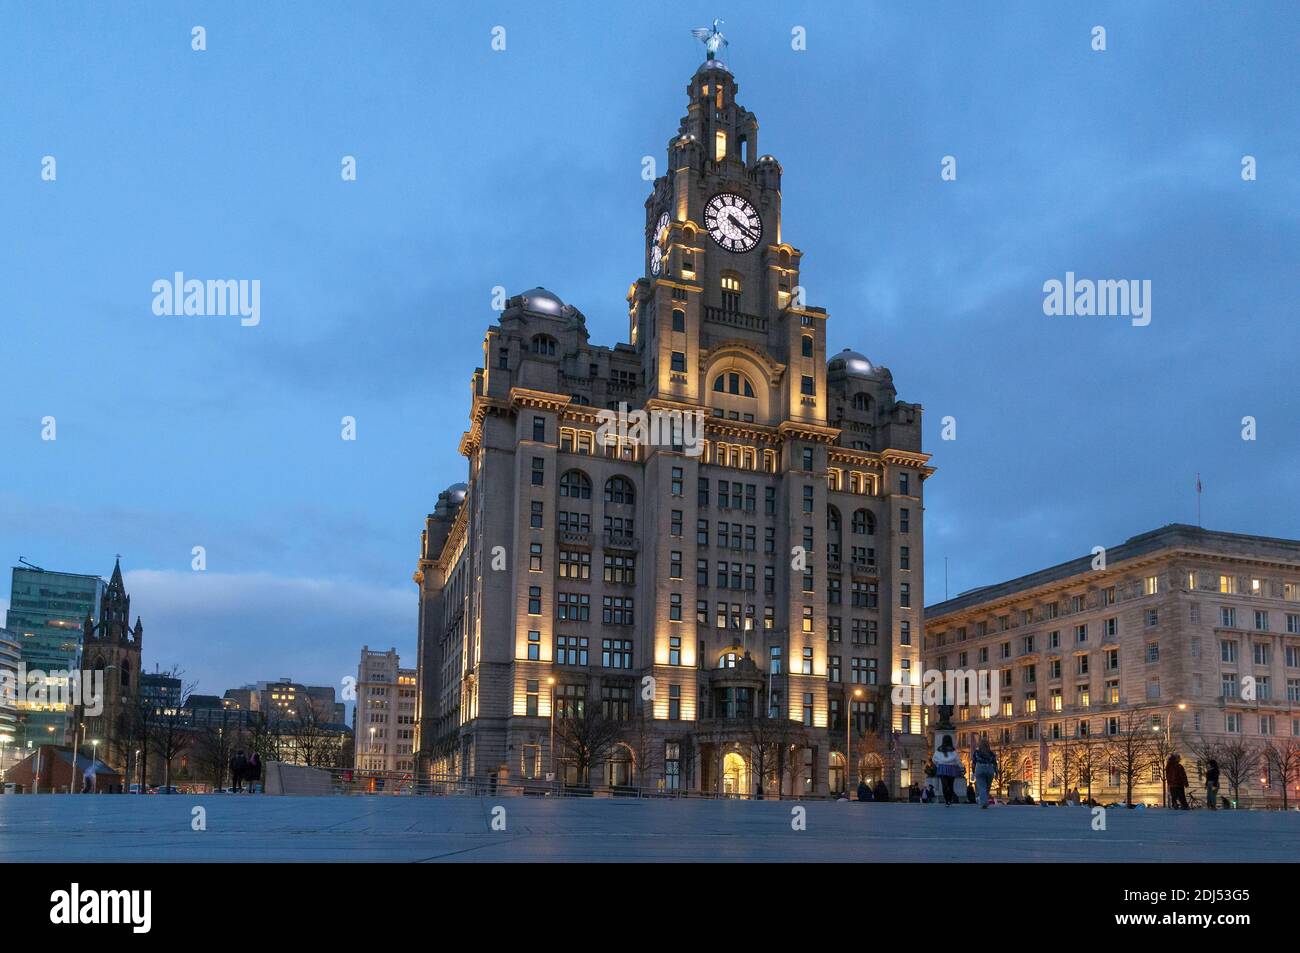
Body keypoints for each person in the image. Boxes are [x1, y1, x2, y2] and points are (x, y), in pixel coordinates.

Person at [934, 735, 962, 806]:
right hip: (951, 768)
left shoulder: (939, 749)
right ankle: (949, 800)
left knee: (944, 785)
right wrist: (960, 767)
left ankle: (946, 800)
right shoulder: (953, 750)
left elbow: (934, 759)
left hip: (942, 767)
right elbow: (957, 760)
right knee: (950, 785)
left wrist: (938, 764)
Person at [973, 738, 998, 809]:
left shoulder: (977, 752)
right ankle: (985, 800)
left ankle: (984, 802)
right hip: (989, 769)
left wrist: (973, 772)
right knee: (987, 787)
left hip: (980, 768)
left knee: (981, 787)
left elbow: (974, 763)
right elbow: (995, 763)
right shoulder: (991, 754)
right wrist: (996, 773)